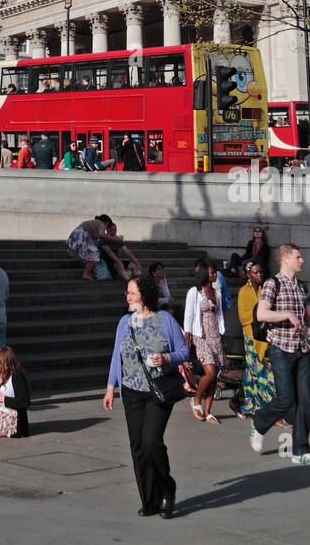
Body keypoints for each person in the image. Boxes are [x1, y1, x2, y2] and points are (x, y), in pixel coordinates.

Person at [104, 272, 189, 518]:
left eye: (131, 292)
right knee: (138, 448)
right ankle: (149, 501)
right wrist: (111, 387)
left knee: (151, 442)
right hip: (131, 391)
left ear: (144, 295)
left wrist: (166, 358)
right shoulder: (124, 322)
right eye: (127, 292)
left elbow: (184, 352)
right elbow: (115, 356)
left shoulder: (165, 320)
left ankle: (167, 488)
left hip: (158, 390)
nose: (127, 296)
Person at [250, 242, 310, 465]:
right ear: (286, 260)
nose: (302, 260)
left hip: (301, 349)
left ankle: (300, 450)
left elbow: (309, 312)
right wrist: (286, 315)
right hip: (280, 349)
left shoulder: (301, 286)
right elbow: (262, 314)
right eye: (298, 257)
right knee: (286, 399)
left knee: (306, 401)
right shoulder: (272, 284)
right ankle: (259, 422)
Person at [230, 260, 290, 424]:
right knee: (263, 374)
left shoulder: (266, 290)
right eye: (256, 272)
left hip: (266, 336)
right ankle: (269, 413)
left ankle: (245, 405)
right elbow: (244, 316)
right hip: (251, 337)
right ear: (249, 274)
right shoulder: (244, 291)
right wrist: (262, 313)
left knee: (258, 374)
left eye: (261, 272)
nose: (259, 275)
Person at [183, 263, 226, 423]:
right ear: (204, 274)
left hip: (215, 336)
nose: (215, 275)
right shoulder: (195, 292)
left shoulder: (217, 292)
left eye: (215, 272)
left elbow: (220, 315)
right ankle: (196, 399)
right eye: (212, 273)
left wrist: (222, 334)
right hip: (200, 336)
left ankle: (208, 412)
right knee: (210, 373)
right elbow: (189, 314)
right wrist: (187, 336)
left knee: (215, 377)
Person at [66, 217, 129, 281]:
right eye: (108, 227)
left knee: (91, 255)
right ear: (106, 223)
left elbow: (97, 238)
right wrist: (116, 239)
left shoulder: (95, 224)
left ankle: (88, 272)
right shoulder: (101, 223)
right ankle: (86, 273)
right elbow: (102, 235)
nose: (106, 230)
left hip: (78, 236)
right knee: (95, 255)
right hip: (82, 235)